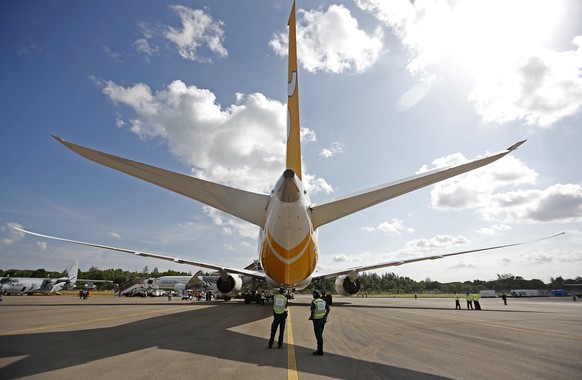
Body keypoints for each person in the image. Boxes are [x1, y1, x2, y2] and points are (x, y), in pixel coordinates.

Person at [309, 290, 330, 356]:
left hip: (317, 320)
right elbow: (328, 309)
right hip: (322, 320)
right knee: (320, 334)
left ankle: (320, 351)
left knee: (319, 336)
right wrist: (325, 316)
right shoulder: (323, 301)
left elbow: (312, 310)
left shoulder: (314, 302)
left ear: (314, 295)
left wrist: (311, 317)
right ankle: (319, 349)